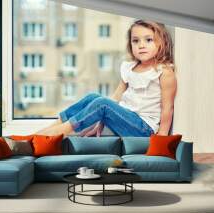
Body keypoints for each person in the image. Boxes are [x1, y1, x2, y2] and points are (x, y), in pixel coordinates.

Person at [36, 20, 177, 137]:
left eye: (148, 40)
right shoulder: (130, 68)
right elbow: (116, 98)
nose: (141, 45)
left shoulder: (163, 71)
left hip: (143, 129)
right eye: (135, 41)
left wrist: (162, 138)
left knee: (102, 103)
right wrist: (101, 120)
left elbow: (167, 108)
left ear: (161, 43)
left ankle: (56, 133)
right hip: (126, 120)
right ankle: (51, 128)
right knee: (93, 97)